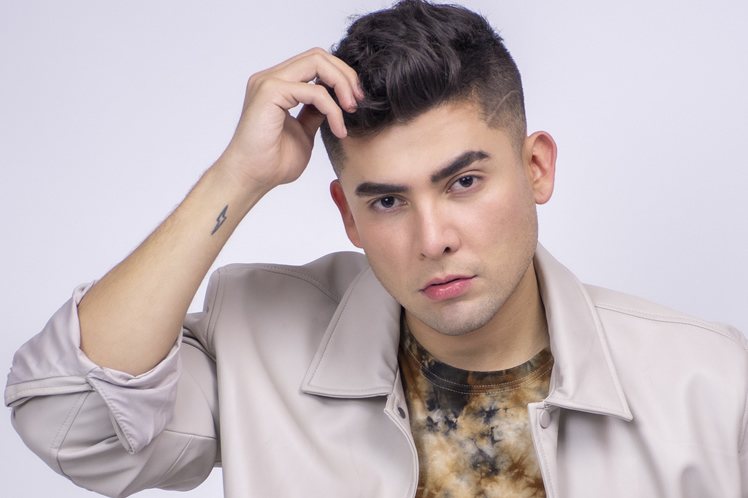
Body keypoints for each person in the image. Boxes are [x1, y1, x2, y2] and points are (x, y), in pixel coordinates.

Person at [5, 0, 747, 496]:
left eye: (463, 183)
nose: (433, 239)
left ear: (536, 169)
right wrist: (236, 175)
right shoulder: (260, 346)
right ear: (349, 217)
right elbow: (68, 417)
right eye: (388, 201)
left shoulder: (710, 385)